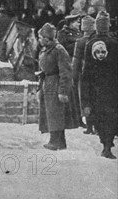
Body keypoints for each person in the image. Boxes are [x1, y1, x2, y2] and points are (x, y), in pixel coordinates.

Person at [37, 23, 80, 151]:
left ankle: (55, 141)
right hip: (48, 82)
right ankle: (59, 141)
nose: (39, 40)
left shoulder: (59, 50)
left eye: (40, 37)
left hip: (56, 83)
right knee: (51, 113)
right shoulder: (47, 49)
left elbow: (66, 72)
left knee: (56, 113)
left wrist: (63, 91)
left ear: (46, 38)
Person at [81, 11, 118, 159]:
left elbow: (86, 72)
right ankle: (108, 144)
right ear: (108, 25)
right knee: (112, 116)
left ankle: (105, 144)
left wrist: (85, 98)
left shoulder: (90, 43)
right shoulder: (115, 43)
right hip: (113, 88)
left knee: (100, 118)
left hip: (96, 89)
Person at [72, 15, 96, 134]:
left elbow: (76, 61)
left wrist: (73, 76)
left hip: (84, 74)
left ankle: (89, 126)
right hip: (98, 75)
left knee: (85, 99)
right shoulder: (97, 39)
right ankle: (96, 126)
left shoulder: (80, 41)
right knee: (96, 99)